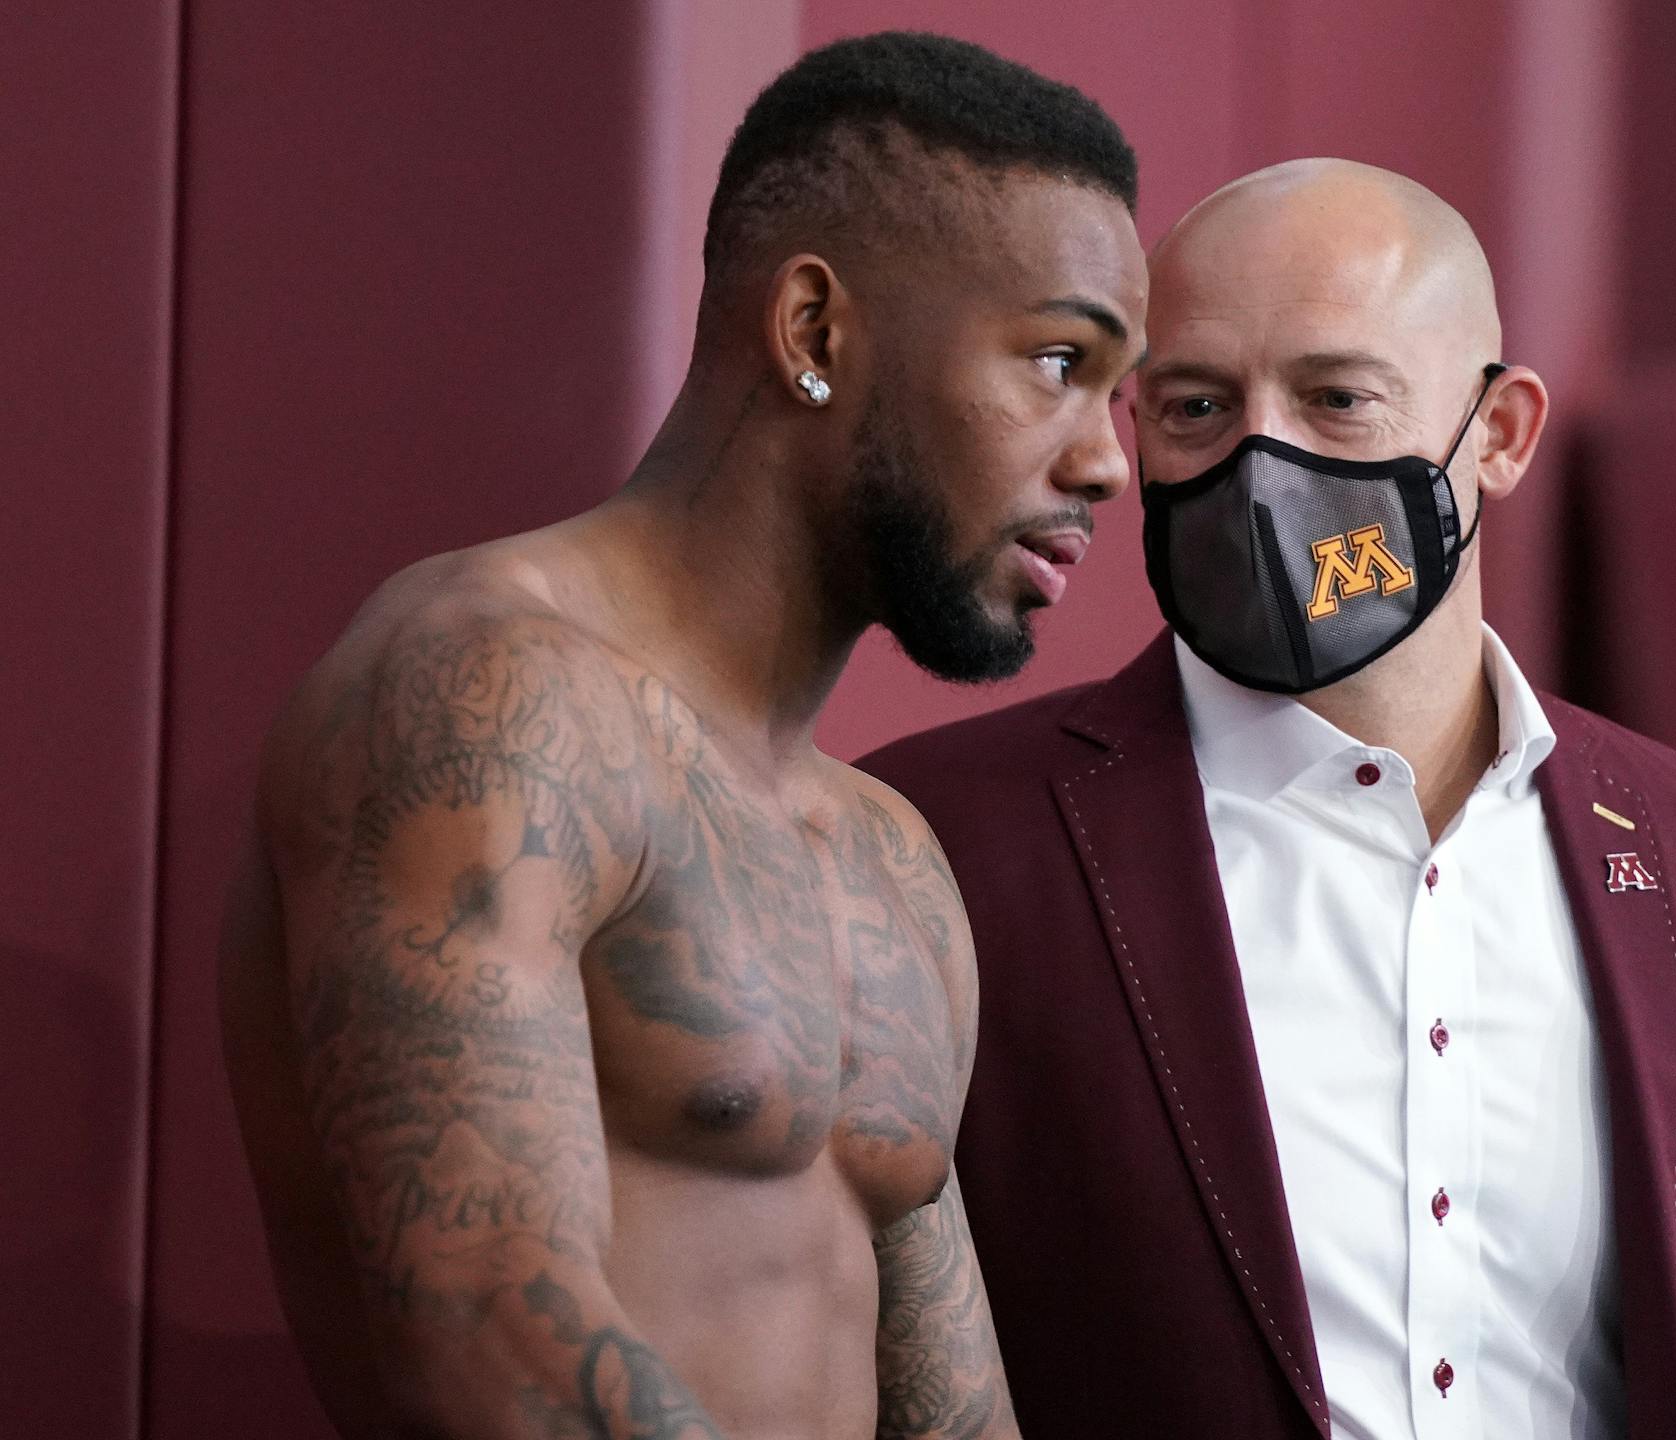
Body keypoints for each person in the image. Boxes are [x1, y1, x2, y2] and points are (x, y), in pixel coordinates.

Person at [217, 31, 1147, 1439]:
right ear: (816, 332)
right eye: (1057, 363)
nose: (1104, 461)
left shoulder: (888, 859)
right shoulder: (485, 701)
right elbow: (491, 1330)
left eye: (1120, 395)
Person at [861, 159, 1676, 1439]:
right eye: (1198, 407)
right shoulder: (939, 843)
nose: (1263, 461)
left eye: (1338, 398)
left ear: (1500, 435)